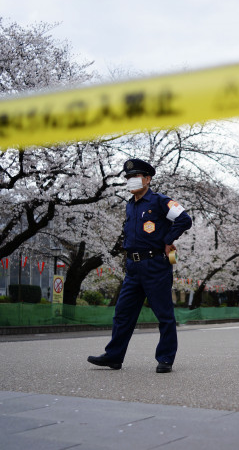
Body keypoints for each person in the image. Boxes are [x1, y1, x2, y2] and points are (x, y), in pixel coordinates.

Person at [88, 159, 192, 373]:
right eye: (127, 178)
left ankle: (165, 358)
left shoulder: (160, 201)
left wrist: (168, 239)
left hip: (155, 264)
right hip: (133, 267)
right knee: (122, 313)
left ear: (147, 178)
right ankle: (114, 356)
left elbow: (184, 219)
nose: (131, 181)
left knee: (163, 314)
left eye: (135, 177)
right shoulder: (130, 204)